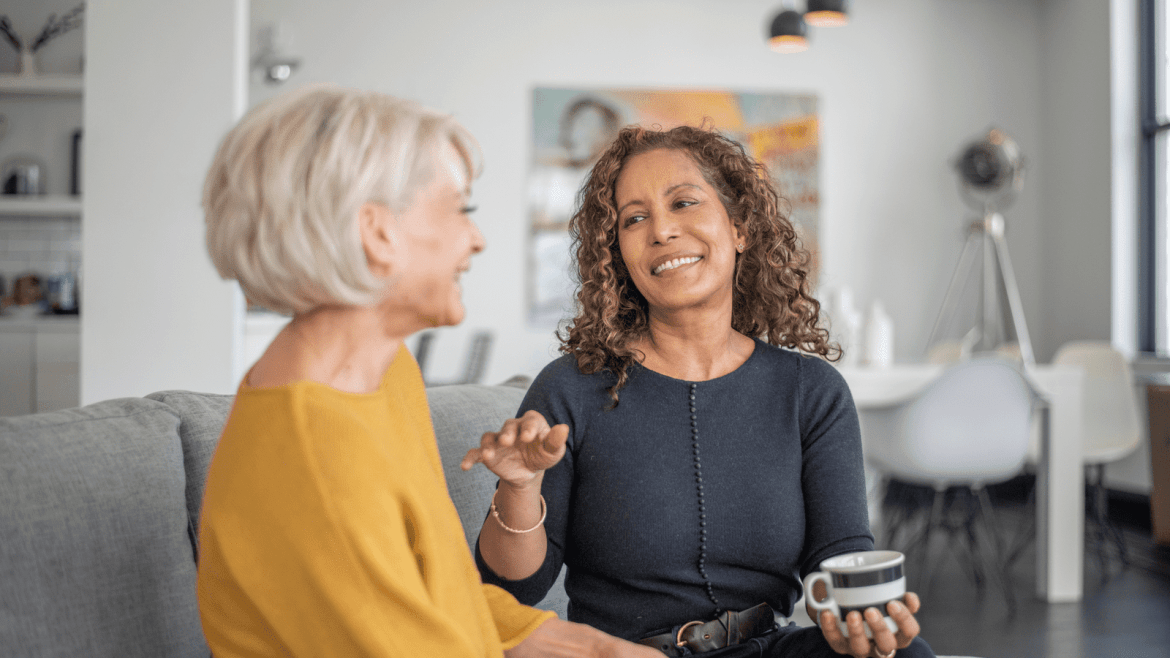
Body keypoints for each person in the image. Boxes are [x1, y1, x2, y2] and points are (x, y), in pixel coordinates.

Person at [196, 84, 661, 657]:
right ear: (378, 234)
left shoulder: (381, 373)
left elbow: (436, 594)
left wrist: (591, 646)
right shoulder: (315, 452)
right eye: (461, 209)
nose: (477, 238)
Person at [465, 125, 936, 658]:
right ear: (619, 254)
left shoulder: (811, 392)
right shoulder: (570, 389)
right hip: (627, 655)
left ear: (738, 228)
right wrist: (521, 488)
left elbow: (841, 553)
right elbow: (512, 591)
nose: (661, 231)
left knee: (904, 654)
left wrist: (861, 623)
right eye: (634, 218)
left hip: (769, 648)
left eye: (684, 203)